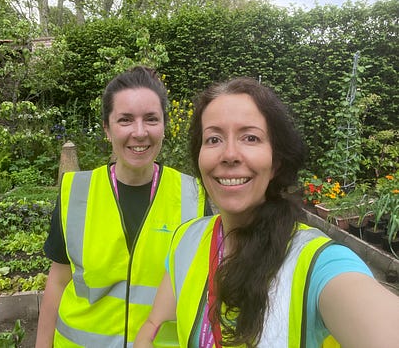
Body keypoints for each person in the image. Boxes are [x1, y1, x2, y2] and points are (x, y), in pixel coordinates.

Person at [135, 77, 399, 348]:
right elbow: (154, 324)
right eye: (213, 138)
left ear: (276, 162)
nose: (229, 154)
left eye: (250, 137)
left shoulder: (317, 263)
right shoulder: (186, 240)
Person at [35, 66, 209, 348]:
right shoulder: (76, 193)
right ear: (107, 128)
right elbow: (57, 282)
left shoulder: (193, 196)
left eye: (151, 119)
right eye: (125, 120)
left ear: (164, 125)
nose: (139, 133)